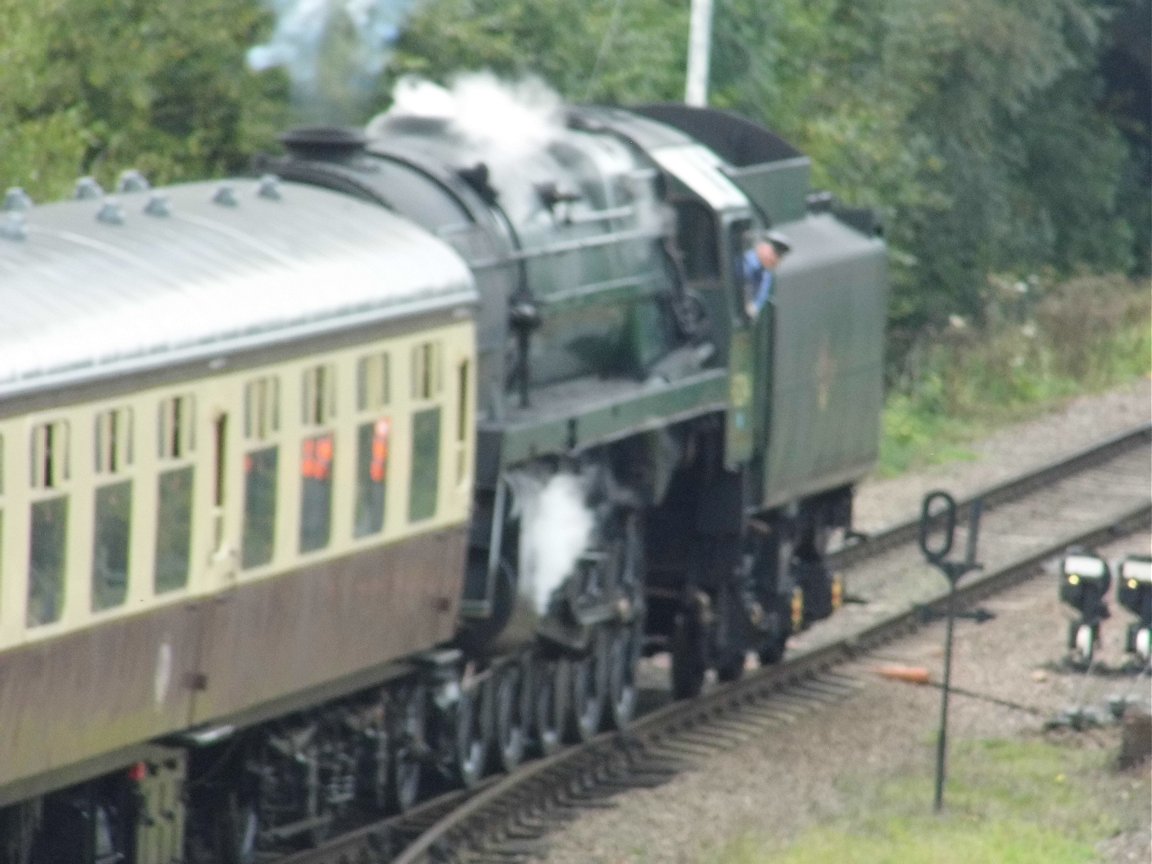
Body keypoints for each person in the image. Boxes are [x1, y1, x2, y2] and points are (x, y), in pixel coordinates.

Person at [743, 230, 791, 318]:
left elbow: (758, 302)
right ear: (761, 246)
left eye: (780, 256)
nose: (775, 259)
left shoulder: (766, 275)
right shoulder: (744, 262)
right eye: (774, 252)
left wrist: (753, 307)